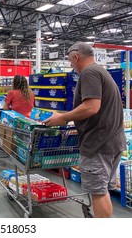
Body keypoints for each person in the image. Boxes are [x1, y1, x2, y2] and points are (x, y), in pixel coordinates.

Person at [43, 42, 126, 218]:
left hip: (98, 144)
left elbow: (91, 107)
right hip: (111, 141)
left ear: (76, 57)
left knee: (98, 192)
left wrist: (63, 118)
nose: (71, 66)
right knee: (102, 192)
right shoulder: (101, 71)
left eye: (70, 61)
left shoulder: (89, 73)